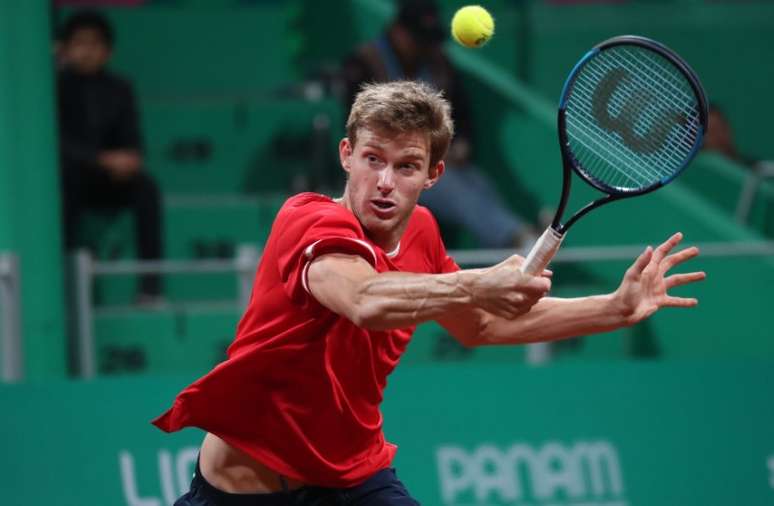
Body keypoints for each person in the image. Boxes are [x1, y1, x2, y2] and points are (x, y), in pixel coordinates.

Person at [153, 80, 704, 505]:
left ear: (434, 174)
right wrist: (478, 282)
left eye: (406, 166)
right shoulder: (308, 221)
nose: (385, 182)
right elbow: (365, 301)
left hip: (351, 476)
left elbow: (480, 326)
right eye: (373, 159)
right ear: (346, 155)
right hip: (244, 488)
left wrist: (612, 308)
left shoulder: (422, 234)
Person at [340, 0, 536, 250]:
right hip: (386, 169)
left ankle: (513, 242)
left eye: (428, 39)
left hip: (429, 163)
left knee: (477, 183)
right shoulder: (364, 63)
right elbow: (357, 127)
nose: (425, 46)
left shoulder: (438, 63)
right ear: (398, 32)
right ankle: (518, 238)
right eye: (418, 38)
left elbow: (462, 115)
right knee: (456, 191)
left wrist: (461, 143)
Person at [56, 10, 163, 301]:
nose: (86, 51)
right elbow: (56, 143)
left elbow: (132, 137)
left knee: (146, 189)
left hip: (110, 179)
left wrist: (130, 159)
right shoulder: (53, 88)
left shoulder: (119, 88)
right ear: (64, 49)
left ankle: (150, 287)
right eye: (79, 43)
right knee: (63, 187)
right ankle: (61, 283)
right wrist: (99, 160)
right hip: (72, 177)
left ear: (108, 50)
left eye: (94, 44)